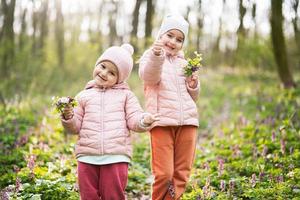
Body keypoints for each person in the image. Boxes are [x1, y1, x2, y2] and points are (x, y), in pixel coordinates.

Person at [61, 43, 159, 200]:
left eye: (112, 73)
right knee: (88, 195)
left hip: (116, 155)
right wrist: (68, 116)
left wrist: (144, 120)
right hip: (87, 155)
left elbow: (134, 118)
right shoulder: (82, 96)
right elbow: (75, 127)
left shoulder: (126, 96)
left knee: (113, 195)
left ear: (119, 79)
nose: (104, 73)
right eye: (103, 66)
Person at [139, 14, 200, 199]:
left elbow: (194, 96)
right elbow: (149, 78)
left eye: (179, 39)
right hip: (162, 122)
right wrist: (157, 56)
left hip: (188, 122)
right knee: (164, 174)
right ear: (160, 35)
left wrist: (193, 84)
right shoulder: (151, 57)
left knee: (181, 173)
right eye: (169, 35)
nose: (173, 41)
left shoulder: (186, 64)